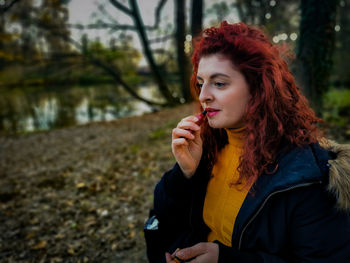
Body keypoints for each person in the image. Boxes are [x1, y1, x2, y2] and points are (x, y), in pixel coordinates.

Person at [145, 21, 350, 263]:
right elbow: (162, 222)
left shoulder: (309, 178)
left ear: (259, 88)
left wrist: (227, 260)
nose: (203, 96)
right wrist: (184, 175)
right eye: (201, 83)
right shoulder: (208, 147)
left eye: (219, 83)